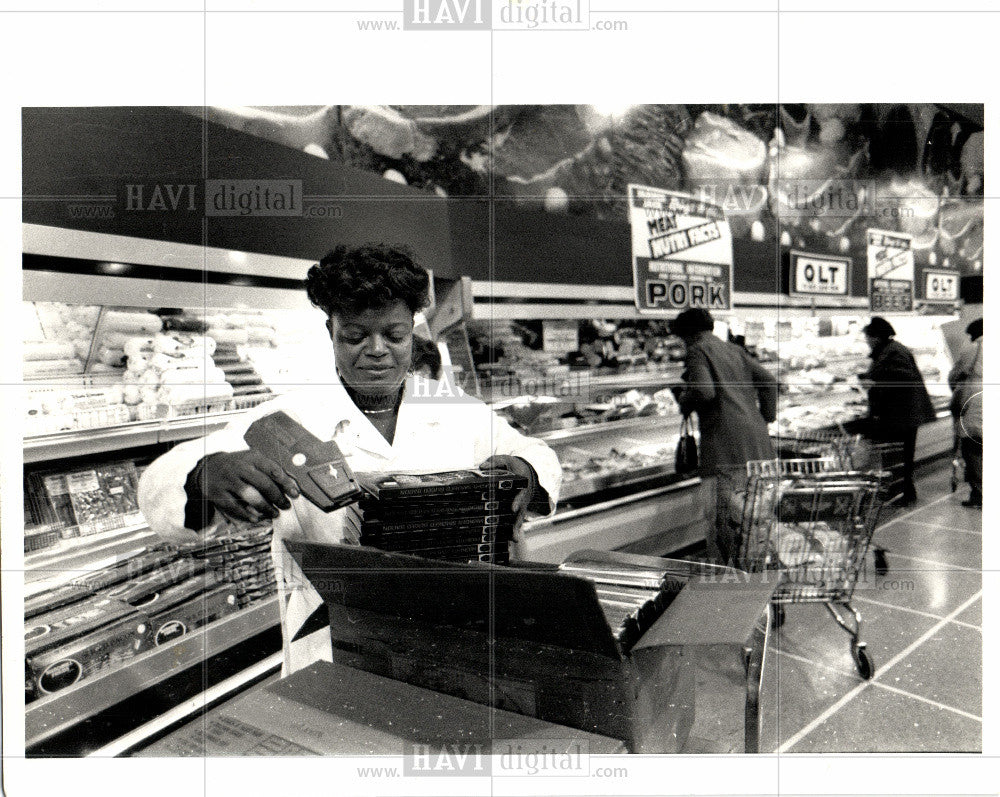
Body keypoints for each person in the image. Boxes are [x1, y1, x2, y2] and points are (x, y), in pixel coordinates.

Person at [138, 243, 561, 675]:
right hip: (332, 639)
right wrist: (201, 475)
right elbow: (160, 482)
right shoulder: (283, 420)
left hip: (454, 628)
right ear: (331, 331)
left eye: (394, 336)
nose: (376, 350)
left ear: (412, 331)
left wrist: (525, 473)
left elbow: (536, 454)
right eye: (356, 336)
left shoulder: (455, 408)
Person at [670, 309, 778, 561]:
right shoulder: (733, 349)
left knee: (724, 524)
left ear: (687, 335)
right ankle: (753, 574)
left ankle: (726, 581)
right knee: (754, 521)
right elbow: (769, 381)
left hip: (723, 446)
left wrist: (685, 400)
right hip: (757, 443)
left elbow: (705, 392)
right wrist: (766, 417)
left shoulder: (698, 350)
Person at [858, 316, 936, 506]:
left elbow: (903, 379)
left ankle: (900, 494)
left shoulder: (893, 352)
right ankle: (903, 492)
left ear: (875, 337)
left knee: (897, 455)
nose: (866, 342)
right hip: (902, 414)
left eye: (867, 338)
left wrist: (874, 383)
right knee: (901, 455)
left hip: (900, 415)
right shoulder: (891, 350)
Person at [948, 318, 983, 507]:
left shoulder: (973, 349)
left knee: (973, 450)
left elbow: (954, 376)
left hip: (976, 403)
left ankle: (979, 495)